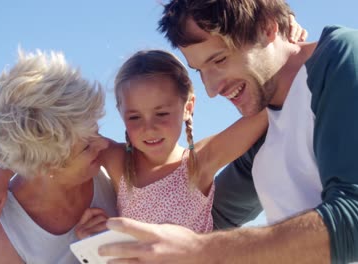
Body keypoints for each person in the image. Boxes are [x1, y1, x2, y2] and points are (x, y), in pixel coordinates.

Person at [97, 0, 358, 263]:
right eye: (200, 71)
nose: (211, 89)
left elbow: (353, 219)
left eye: (219, 59)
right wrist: (107, 233)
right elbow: (206, 221)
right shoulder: (261, 138)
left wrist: (199, 250)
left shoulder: (341, 57)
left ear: (267, 27)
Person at [0, 49, 268, 239]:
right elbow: (42, 140)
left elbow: (264, 114)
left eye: (162, 113)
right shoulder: (118, 161)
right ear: (120, 114)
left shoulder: (199, 161)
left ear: (188, 106)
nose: (149, 127)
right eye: (134, 116)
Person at [0, 50, 117, 264]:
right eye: (86, 146)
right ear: (47, 165)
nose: (104, 144)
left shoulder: (111, 167)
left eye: (96, 130)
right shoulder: (1, 229)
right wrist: (91, 255)